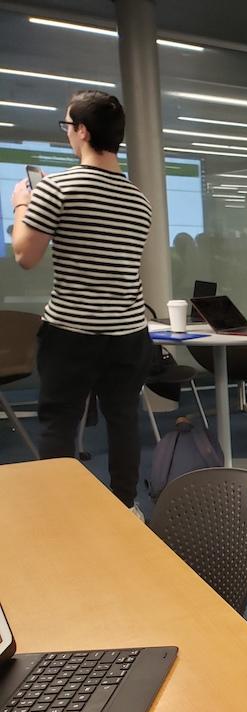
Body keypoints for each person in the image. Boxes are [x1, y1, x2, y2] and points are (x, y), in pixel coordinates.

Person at [10, 91, 153, 518]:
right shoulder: (139, 199)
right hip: (128, 333)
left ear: (83, 131)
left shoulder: (56, 188)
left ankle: (59, 513)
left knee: (60, 422)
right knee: (123, 420)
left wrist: (21, 203)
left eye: (68, 126)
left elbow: (25, 255)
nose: (68, 134)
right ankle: (127, 507)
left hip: (71, 332)